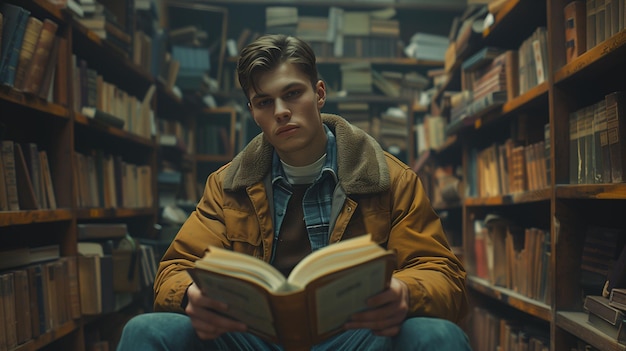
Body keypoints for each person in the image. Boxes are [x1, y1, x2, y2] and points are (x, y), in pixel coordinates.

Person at [117, 34, 471, 351]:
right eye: (264, 102)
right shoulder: (227, 187)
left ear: (319, 94)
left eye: (292, 94)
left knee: (438, 337)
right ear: (253, 112)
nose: (281, 112)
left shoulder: (390, 179)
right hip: (252, 338)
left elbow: (443, 274)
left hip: (357, 334)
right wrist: (191, 296)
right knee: (146, 330)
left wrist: (403, 293)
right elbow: (174, 270)